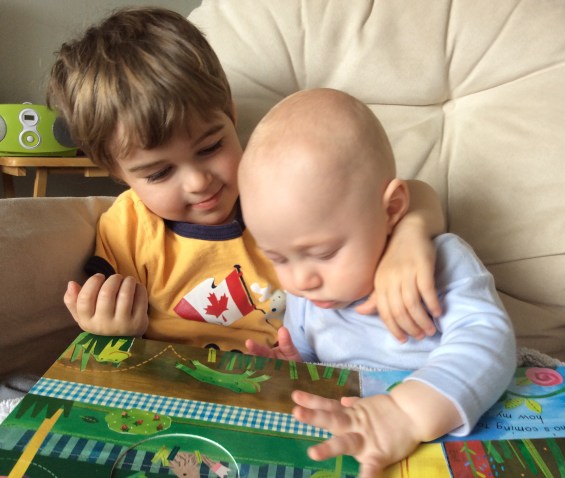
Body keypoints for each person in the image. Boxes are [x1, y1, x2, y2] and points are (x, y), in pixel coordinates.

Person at [46, 7, 446, 352]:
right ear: (118, 173)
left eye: (210, 147)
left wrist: (409, 237)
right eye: (160, 172)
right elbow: (103, 325)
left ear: (231, 116)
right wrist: (111, 327)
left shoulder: (279, 190)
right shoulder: (128, 229)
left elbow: (413, 196)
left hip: (289, 382)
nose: (198, 181)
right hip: (171, 388)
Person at [239, 88, 517, 477]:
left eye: (324, 253)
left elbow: (490, 340)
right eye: (278, 258)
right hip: (359, 440)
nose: (300, 280)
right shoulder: (308, 295)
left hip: (443, 430)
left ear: (391, 209)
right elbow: (314, 358)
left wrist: (406, 412)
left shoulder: (441, 261)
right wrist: (294, 368)